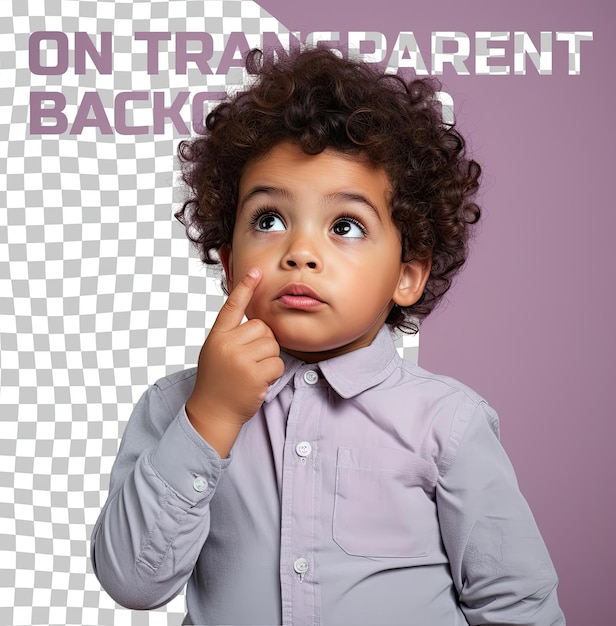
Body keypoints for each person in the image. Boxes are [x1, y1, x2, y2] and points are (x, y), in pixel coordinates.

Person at [91, 47, 565, 625]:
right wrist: (210, 415)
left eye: (345, 226)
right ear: (228, 260)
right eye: (269, 220)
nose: (301, 253)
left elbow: (516, 603)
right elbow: (132, 582)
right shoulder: (176, 409)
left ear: (407, 274)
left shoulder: (448, 423)